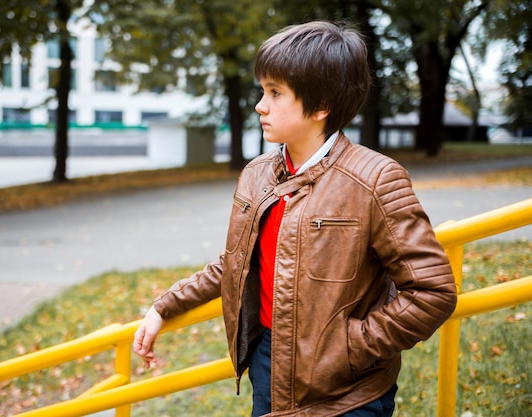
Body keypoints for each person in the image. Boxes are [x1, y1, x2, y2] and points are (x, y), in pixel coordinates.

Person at [133, 21, 457, 417]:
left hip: (349, 394)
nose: (260, 105)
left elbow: (432, 292)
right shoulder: (257, 174)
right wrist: (164, 306)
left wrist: (350, 348)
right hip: (268, 367)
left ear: (320, 106)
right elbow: (237, 262)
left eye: (275, 92)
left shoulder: (374, 179)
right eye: (262, 90)